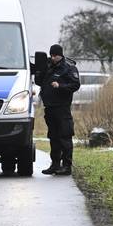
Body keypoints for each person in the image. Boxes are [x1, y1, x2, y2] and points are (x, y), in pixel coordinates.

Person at [35, 44, 80, 175]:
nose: (53, 57)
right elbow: (40, 81)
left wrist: (60, 86)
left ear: (61, 55)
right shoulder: (48, 66)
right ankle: (55, 164)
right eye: (52, 55)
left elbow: (75, 85)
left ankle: (66, 166)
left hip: (62, 108)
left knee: (64, 136)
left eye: (55, 55)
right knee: (53, 137)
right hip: (49, 107)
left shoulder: (68, 68)